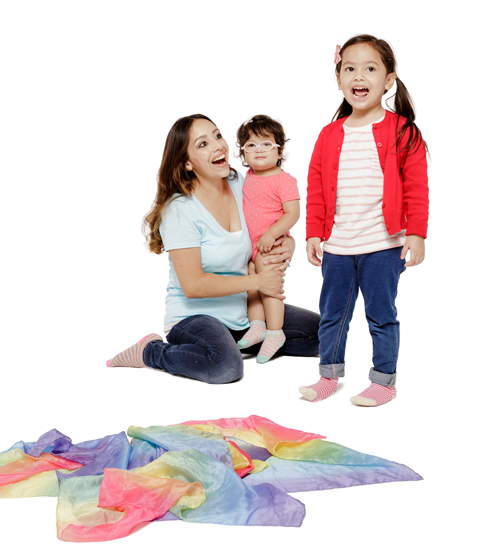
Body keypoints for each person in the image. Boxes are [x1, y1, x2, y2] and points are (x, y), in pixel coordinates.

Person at [106, 114, 320, 384]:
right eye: (203, 144)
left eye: (218, 136)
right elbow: (193, 285)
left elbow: (268, 222)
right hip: (195, 316)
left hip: (245, 308)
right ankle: (150, 352)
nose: (218, 146)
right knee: (225, 368)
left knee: (322, 334)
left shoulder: (239, 182)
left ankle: (240, 341)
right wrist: (259, 281)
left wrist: (289, 243)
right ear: (186, 163)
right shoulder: (180, 210)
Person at [299, 35, 429, 406]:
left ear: (388, 80)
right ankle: (329, 375)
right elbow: (317, 189)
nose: (359, 76)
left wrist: (416, 233)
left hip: (383, 246)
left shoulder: (403, 130)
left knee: (381, 315)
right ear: (338, 78)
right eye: (349, 68)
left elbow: (417, 186)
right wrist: (313, 233)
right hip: (338, 246)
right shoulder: (329, 134)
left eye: (370, 68)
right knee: (332, 315)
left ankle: (384, 381)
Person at [234, 115, 300, 363]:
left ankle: (275, 332)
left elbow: (292, 213)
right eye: (250, 145)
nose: (258, 150)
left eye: (266, 144)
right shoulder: (247, 177)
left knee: (269, 287)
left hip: (269, 246)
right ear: (243, 153)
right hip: (251, 248)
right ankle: (258, 326)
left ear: (280, 149)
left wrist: (273, 234)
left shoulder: (284, 180)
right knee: (252, 285)